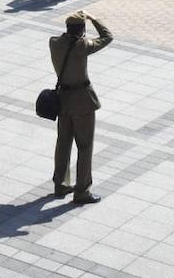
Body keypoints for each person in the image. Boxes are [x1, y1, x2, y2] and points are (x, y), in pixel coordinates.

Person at [49, 11, 112, 205]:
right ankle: (82, 190)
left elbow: (64, 39)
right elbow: (107, 37)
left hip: (63, 100)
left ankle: (60, 183)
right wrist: (95, 19)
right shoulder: (82, 46)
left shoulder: (54, 42)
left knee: (63, 142)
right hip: (82, 102)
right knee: (84, 146)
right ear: (82, 30)